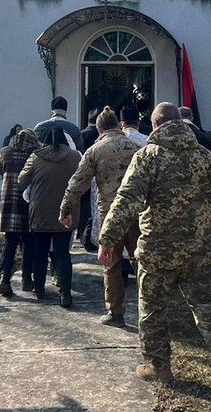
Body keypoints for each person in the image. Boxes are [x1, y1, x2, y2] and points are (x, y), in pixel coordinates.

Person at [99, 102, 211, 394]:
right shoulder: (205, 157)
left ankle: (159, 366)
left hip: (159, 249)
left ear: (155, 126)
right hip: (199, 247)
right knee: (206, 306)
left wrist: (108, 238)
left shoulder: (148, 157)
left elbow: (127, 199)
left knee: (153, 308)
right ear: (180, 123)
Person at [59, 107, 142, 326]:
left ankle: (116, 313)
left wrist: (66, 209)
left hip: (110, 214)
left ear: (99, 128)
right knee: (141, 262)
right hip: (136, 214)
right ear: (119, 125)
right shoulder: (137, 148)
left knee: (111, 263)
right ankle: (148, 311)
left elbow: (78, 183)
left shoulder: (95, 150)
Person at [18, 125, 82, 307]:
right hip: (66, 211)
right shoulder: (75, 157)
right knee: (63, 253)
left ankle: (39, 289)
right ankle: (65, 293)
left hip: (40, 211)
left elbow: (22, 182)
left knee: (40, 252)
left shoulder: (36, 156)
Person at [0, 127, 41, 297]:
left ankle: (5, 279)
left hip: (8, 202)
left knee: (10, 243)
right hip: (28, 201)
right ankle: (26, 280)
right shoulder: (35, 154)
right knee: (28, 242)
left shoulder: (5, 151)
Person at [76, 109, 101, 247]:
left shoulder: (81, 135)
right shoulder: (101, 135)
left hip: (85, 173)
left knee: (85, 207)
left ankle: (82, 235)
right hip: (100, 176)